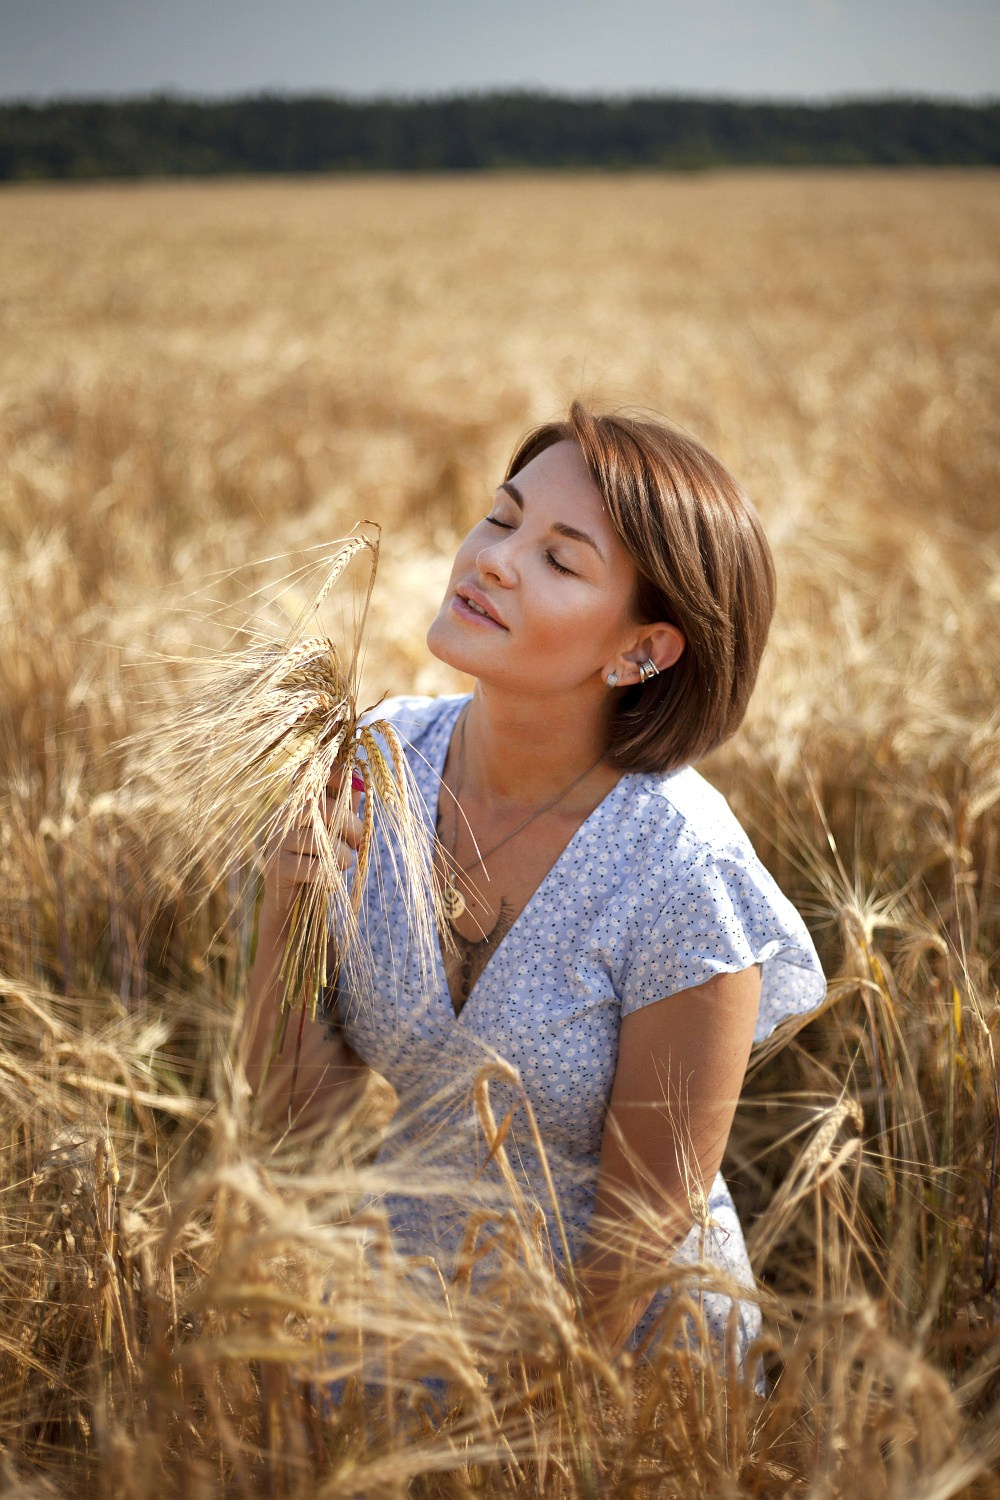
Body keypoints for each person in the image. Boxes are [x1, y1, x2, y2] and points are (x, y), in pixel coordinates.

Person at [244, 401, 826, 1372]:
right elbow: (295, 1124)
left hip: (626, 1372)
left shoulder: (681, 869)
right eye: (501, 517)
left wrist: (541, 1424)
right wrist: (286, 908)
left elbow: (644, 1229)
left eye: (560, 559)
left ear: (641, 651)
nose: (493, 560)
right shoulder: (374, 765)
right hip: (407, 1330)